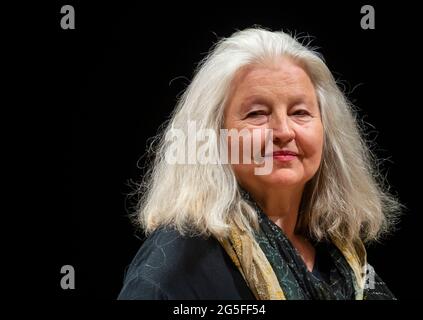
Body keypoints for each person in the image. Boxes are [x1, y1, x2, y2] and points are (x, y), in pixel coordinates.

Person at [118, 28, 400, 300]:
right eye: (257, 114)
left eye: (300, 112)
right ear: (214, 136)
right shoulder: (174, 268)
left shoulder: (343, 260)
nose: (284, 132)